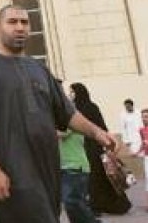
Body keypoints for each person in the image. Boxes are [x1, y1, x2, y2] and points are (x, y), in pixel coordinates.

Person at [0, 4, 118, 223]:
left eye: (24, 22)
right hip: (12, 175)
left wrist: (98, 133)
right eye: (12, 22)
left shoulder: (39, 69)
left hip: (48, 173)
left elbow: (67, 114)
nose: (19, 27)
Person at [71, 82, 131, 215]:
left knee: (98, 176)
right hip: (85, 146)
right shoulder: (75, 109)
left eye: (72, 91)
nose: (71, 94)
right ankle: (103, 205)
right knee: (97, 177)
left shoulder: (88, 107)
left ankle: (103, 206)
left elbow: (101, 126)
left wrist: (109, 143)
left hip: (93, 146)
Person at [59, 82, 99, 223]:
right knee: (71, 204)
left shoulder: (69, 114)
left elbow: (61, 133)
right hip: (64, 165)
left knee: (73, 202)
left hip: (75, 165)